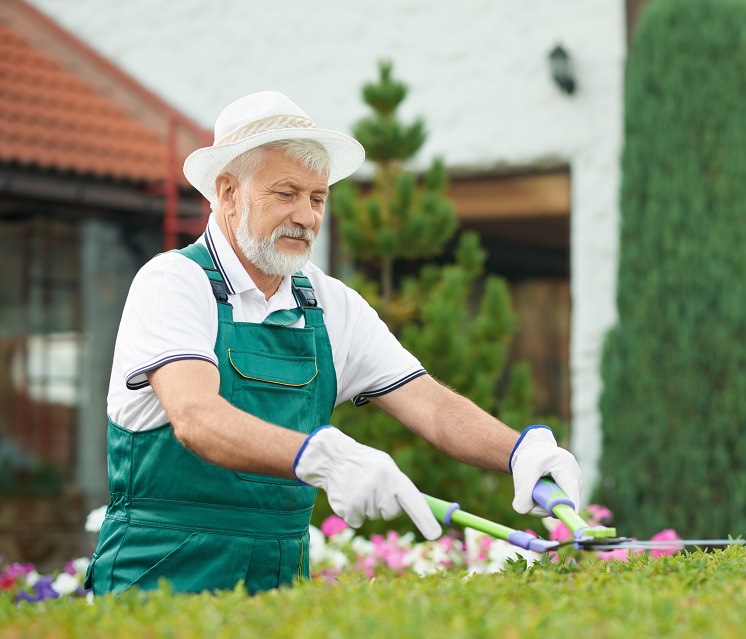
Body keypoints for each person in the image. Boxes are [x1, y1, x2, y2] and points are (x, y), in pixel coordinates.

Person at [85, 91, 581, 595]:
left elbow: (430, 405)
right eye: (286, 193)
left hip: (280, 592)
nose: (307, 216)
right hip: (157, 580)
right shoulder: (173, 282)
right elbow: (196, 418)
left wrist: (519, 451)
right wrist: (318, 456)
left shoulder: (330, 304)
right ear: (228, 193)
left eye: (318, 198)